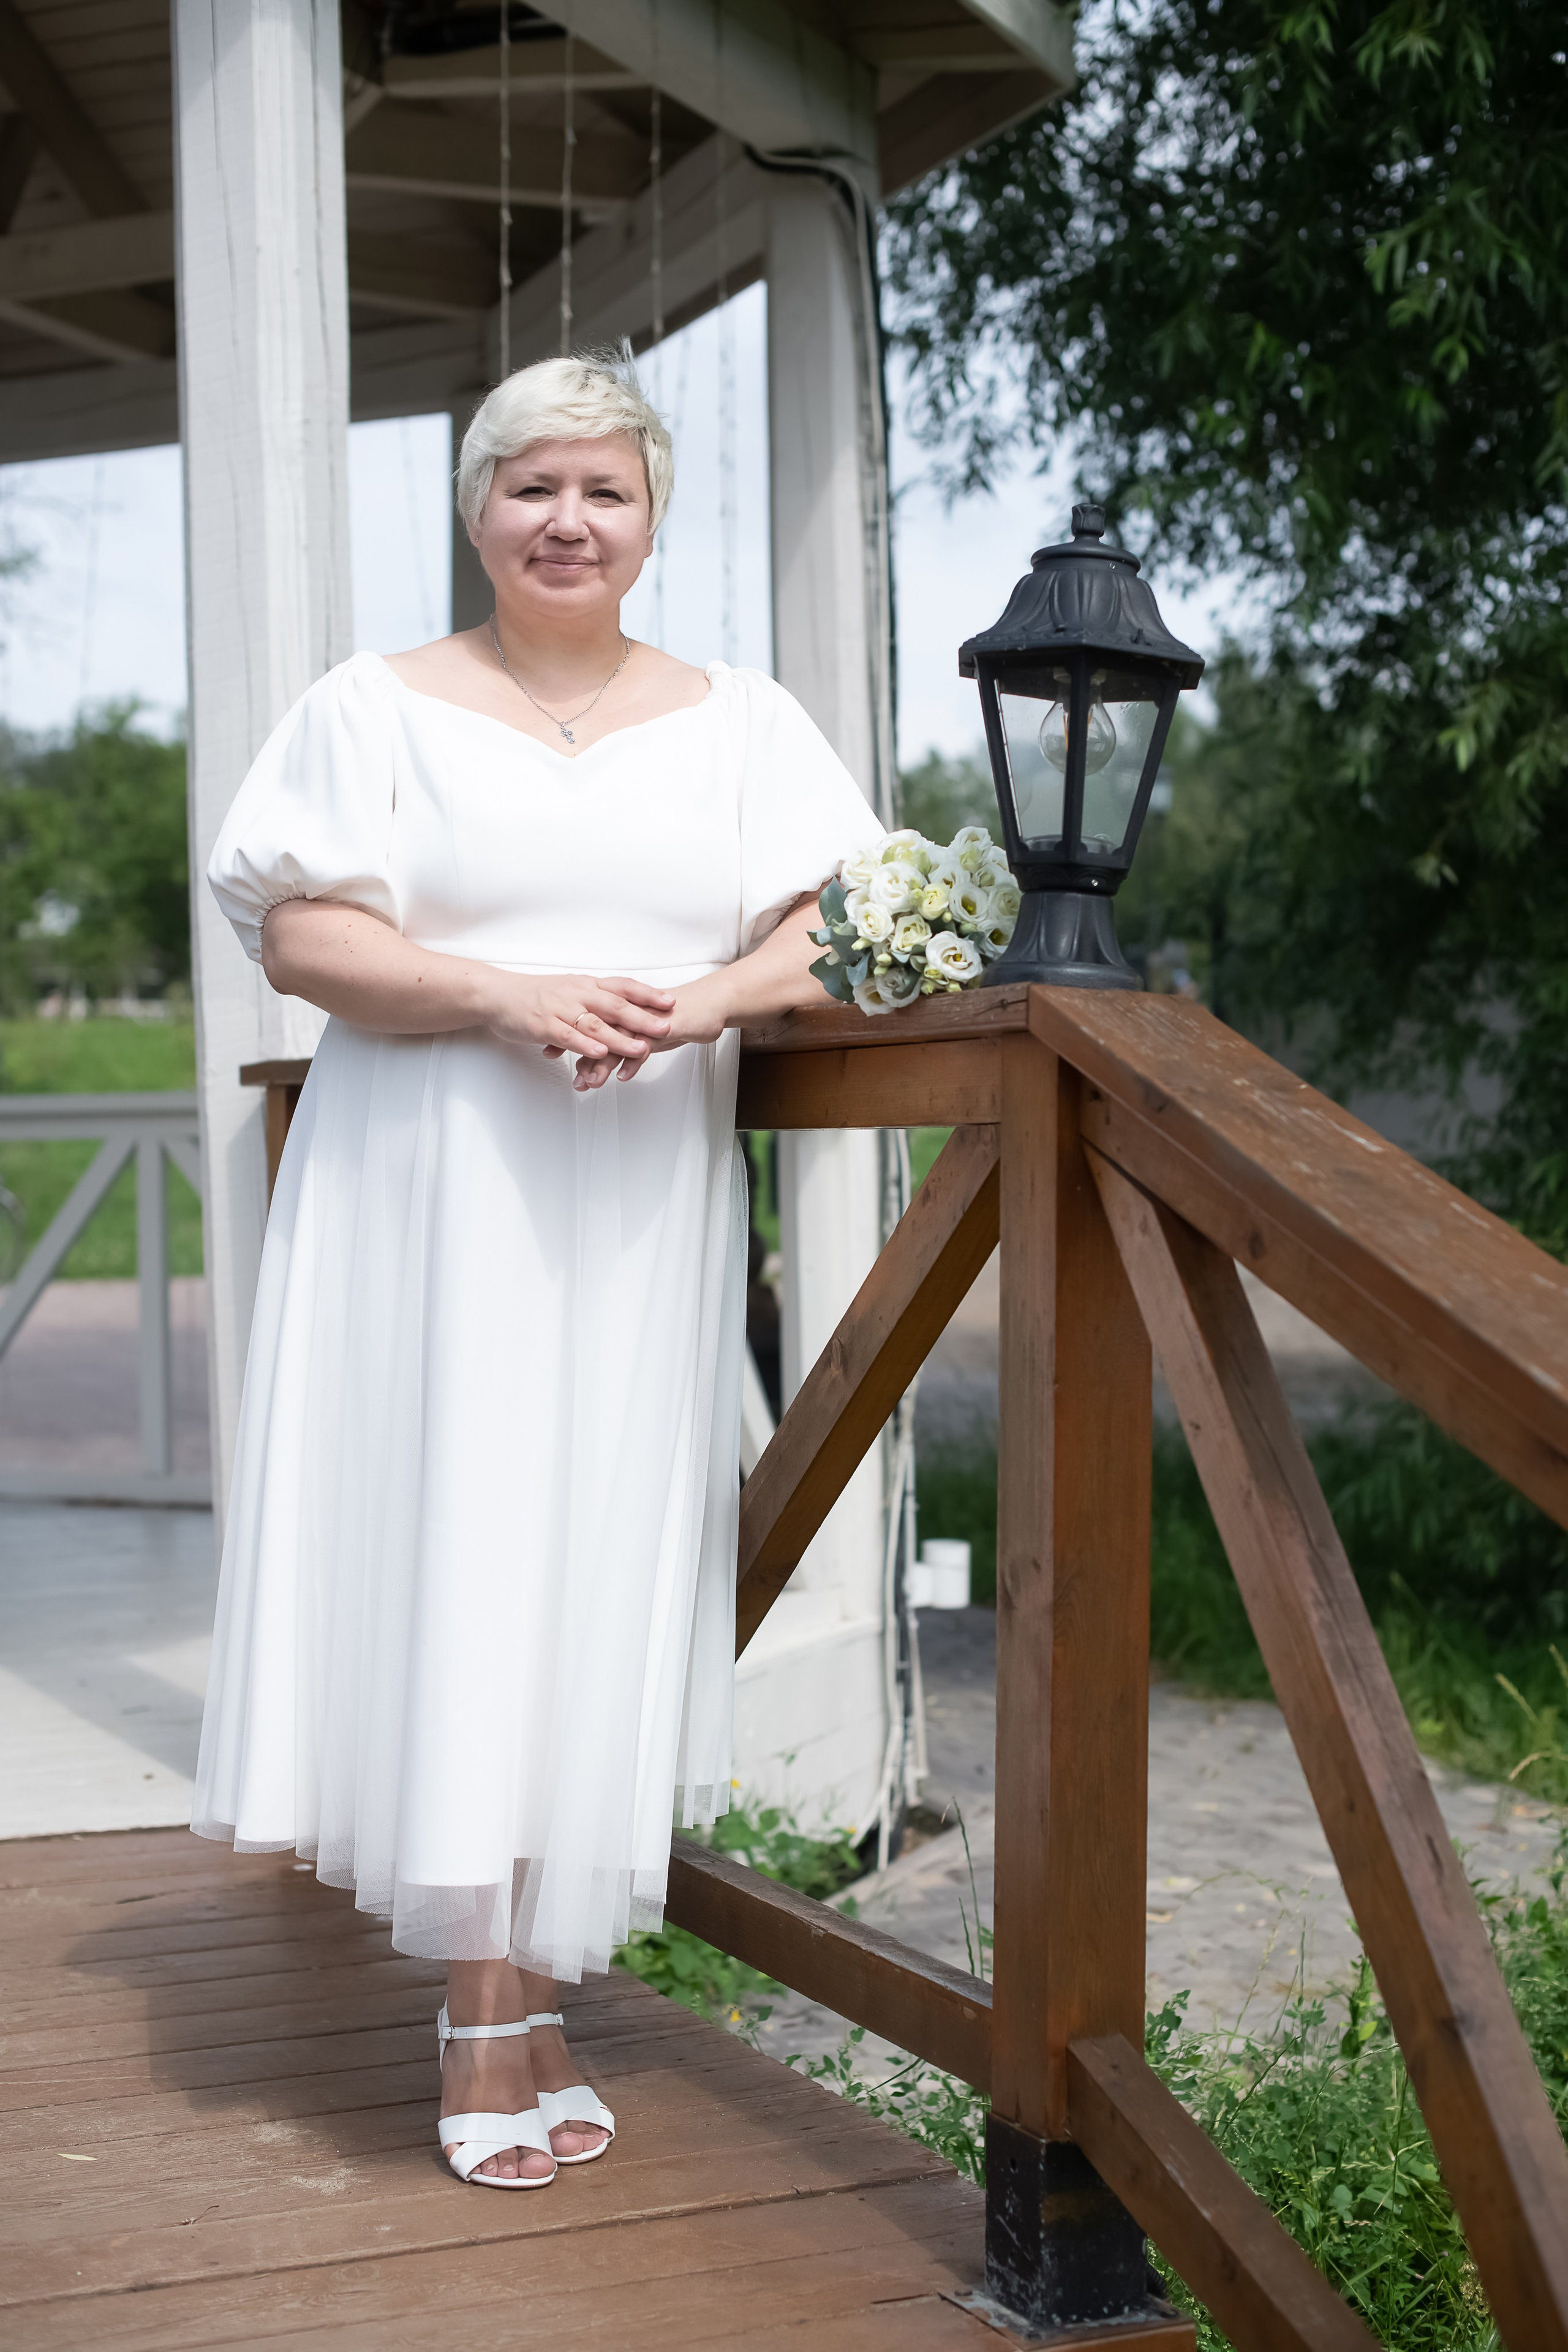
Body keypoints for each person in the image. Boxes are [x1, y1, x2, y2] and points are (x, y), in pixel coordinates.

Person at [194, 349, 885, 2188]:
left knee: (583, 1558)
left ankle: (528, 1981)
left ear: (654, 522)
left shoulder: (741, 719)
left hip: (635, 1189)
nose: (568, 521)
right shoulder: (377, 705)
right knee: (467, 1552)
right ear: (476, 509)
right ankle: (486, 2009)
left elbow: (843, 919)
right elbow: (311, 935)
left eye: (608, 491)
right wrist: (509, 995)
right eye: (533, 487)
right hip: (434, 1185)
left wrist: (697, 1002)